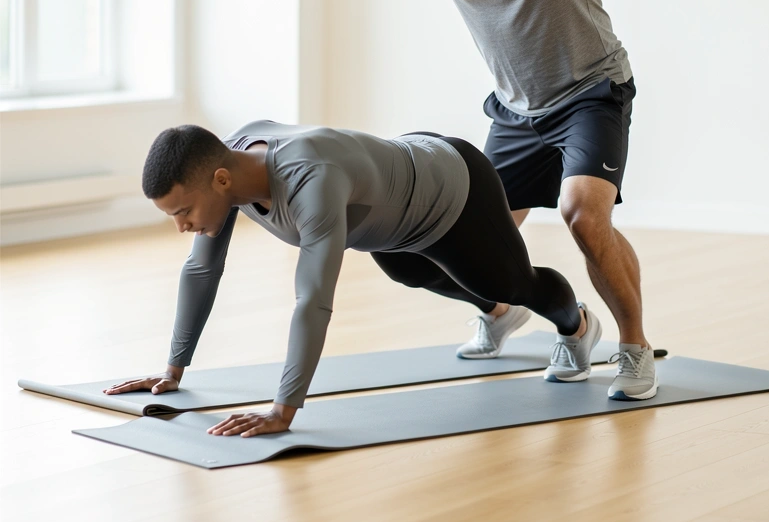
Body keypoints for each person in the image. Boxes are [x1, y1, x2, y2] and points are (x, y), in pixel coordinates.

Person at [199, 0, 656, 400]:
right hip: (516, 109)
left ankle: (632, 348)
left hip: (589, 89)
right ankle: (502, 312)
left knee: (582, 214)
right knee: (460, 233)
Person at [105, 121, 605, 437]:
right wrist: (172, 371)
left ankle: (576, 326)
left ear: (219, 181)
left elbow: (313, 300)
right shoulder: (228, 167)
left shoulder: (310, 183)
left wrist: (283, 410)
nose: (182, 226)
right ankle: (499, 318)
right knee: (408, 271)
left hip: (455, 188)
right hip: (394, 221)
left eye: (184, 211)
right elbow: (202, 268)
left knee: (512, 283)